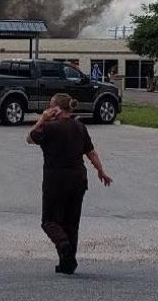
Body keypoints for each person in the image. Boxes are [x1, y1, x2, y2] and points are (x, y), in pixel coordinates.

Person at [26, 93, 112, 275]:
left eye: (50, 107)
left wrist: (42, 119)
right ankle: (68, 263)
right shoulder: (80, 127)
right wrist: (101, 171)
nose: (48, 110)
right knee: (71, 224)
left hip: (55, 180)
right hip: (78, 180)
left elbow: (30, 138)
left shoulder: (49, 128)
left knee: (49, 221)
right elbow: (91, 153)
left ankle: (63, 245)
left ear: (56, 109)